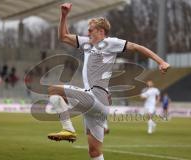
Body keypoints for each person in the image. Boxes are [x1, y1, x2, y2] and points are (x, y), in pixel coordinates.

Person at [47, 3, 170, 160]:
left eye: (90, 30)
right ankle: (69, 130)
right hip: (97, 105)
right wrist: (64, 15)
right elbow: (63, 37)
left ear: (101, 31)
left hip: (96, 98)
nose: (88, 32)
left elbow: (137, 47)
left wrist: (161, 62)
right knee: (95, 152)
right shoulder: (86, 43)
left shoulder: (111, 43)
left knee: (53, 90)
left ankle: (68, 129)